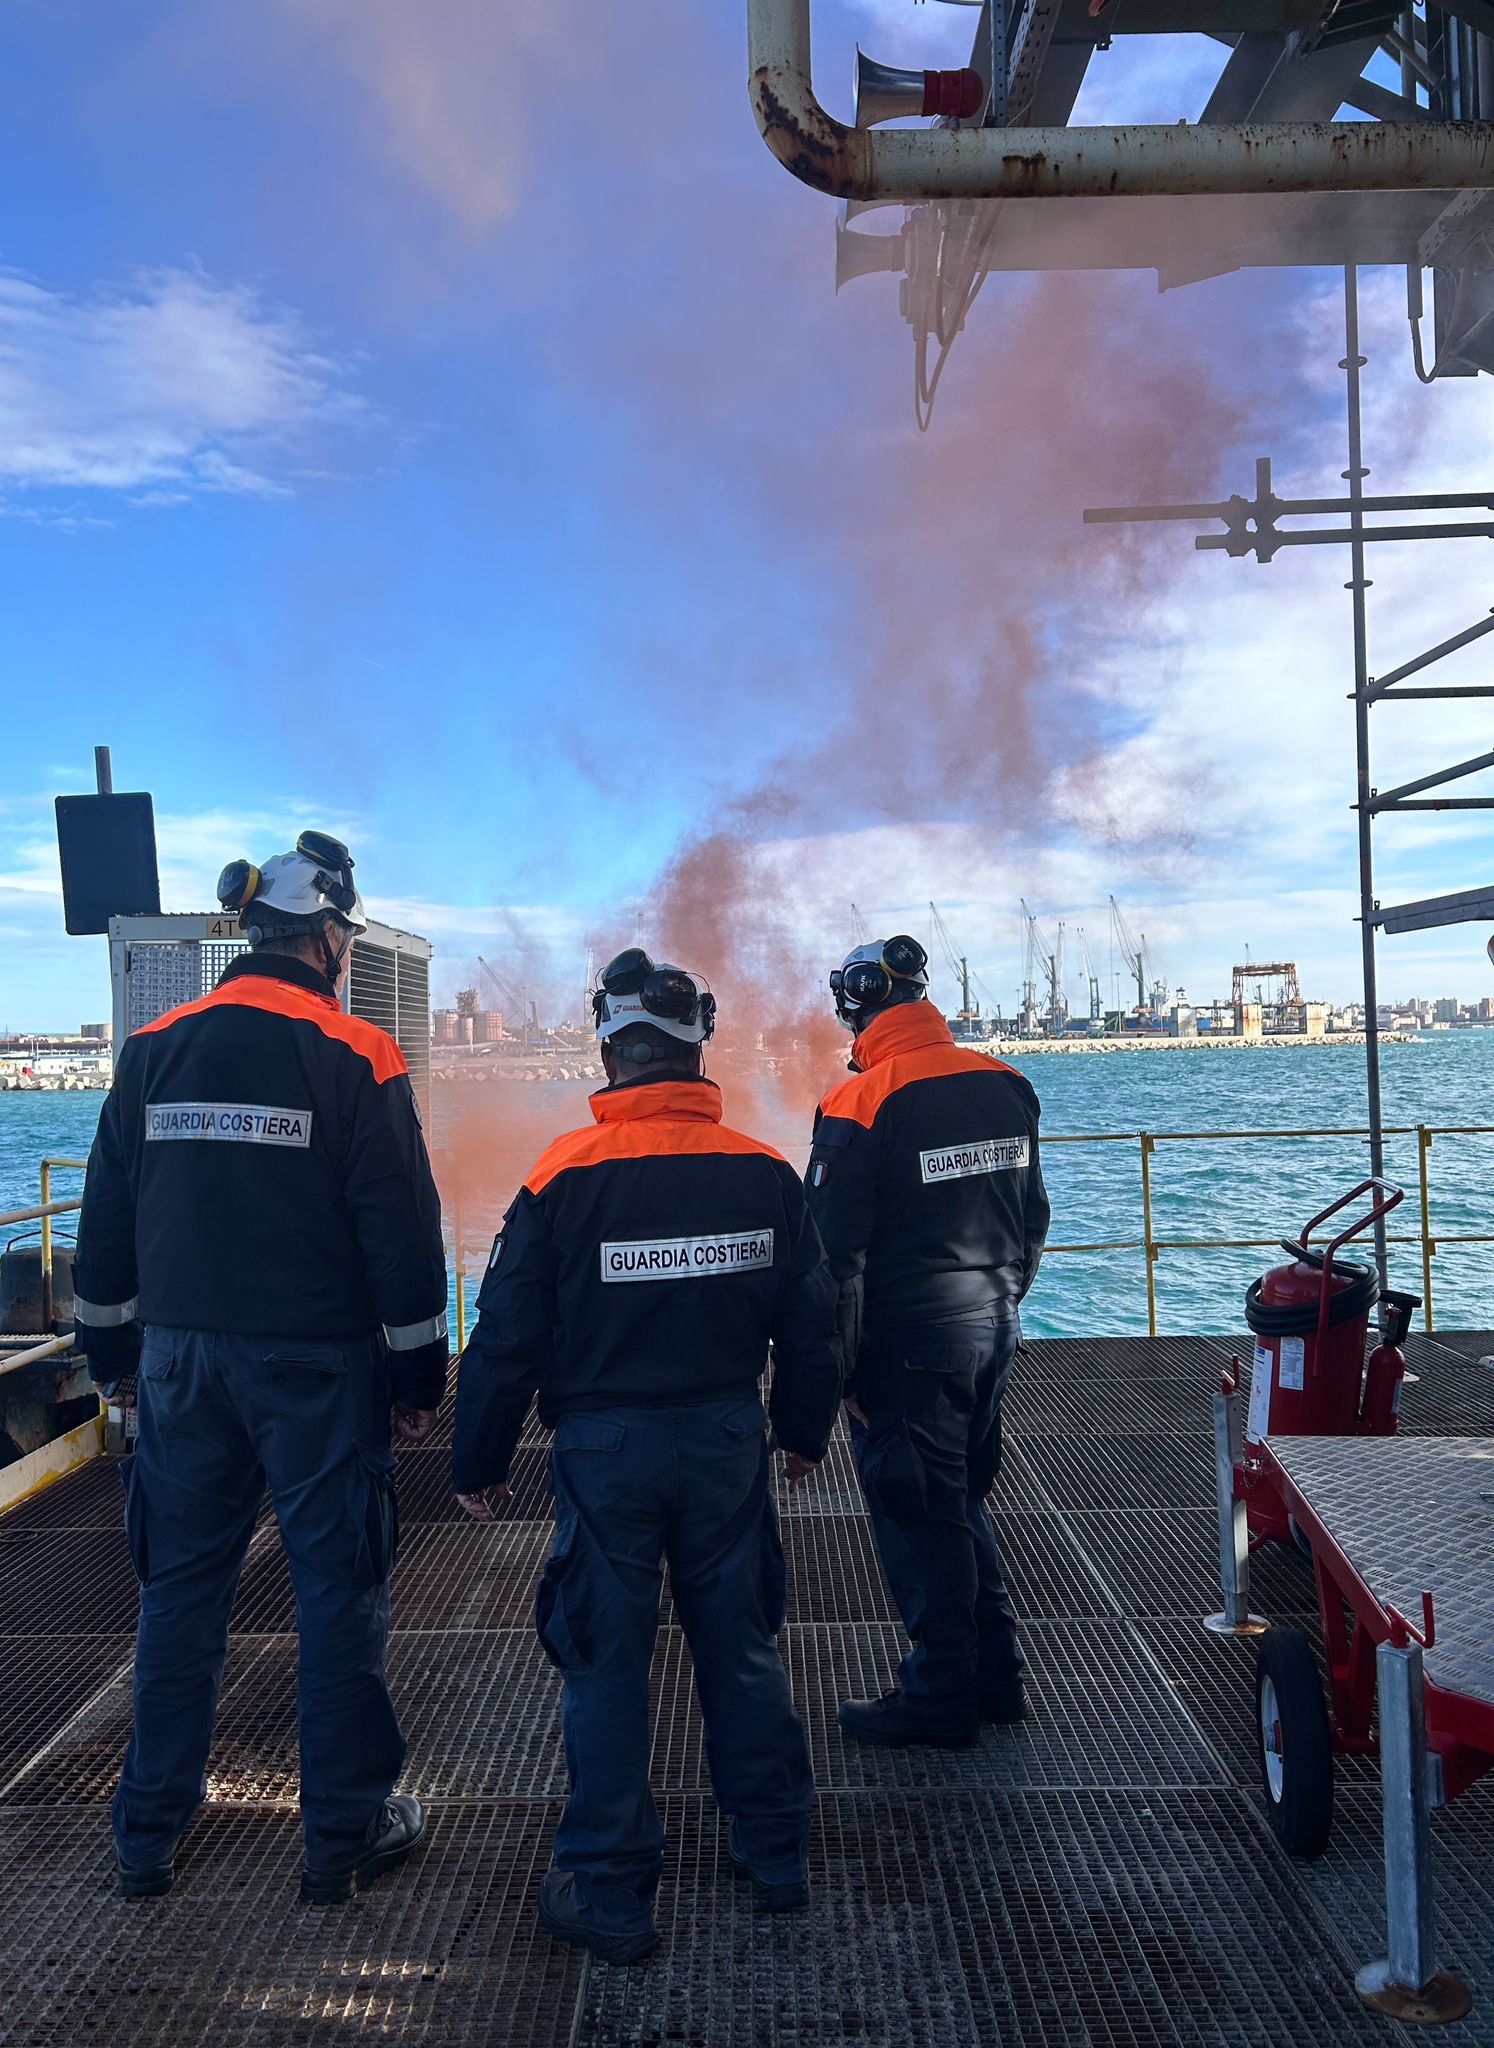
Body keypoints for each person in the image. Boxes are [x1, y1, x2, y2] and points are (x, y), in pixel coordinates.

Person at [72, 832, 448, 1904]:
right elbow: (402, 1237)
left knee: (179, 1593)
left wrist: (113, 1361)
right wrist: (418, 1380)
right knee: (339, 1593)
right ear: (330, 936)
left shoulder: (152, 1046)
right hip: (317, 1369)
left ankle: (147, 1832)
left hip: (181, 1366)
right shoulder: (357, 1052)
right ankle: (341, 1833)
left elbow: (105, 1229)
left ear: (252, 932)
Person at [453, 948, 841, 1965]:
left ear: (610, 1048)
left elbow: (504, 1339)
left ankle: (612, 1893)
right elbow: (813, 1325)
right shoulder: (763, 1172)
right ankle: (775, 1854)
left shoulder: (559, 1178)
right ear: (695, 1042)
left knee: (606, 1662)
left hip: (604, 1448)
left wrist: (478, 1457)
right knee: (742, 1645)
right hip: (723, 1440)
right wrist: (801, 1432)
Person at [805, 934, 1049, 1749]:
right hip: (994, 1325)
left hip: (910, 1345)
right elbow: (1033, 1218)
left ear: (860, 998)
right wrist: (1004, 1300)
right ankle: (996, 1676)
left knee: (919, 1516)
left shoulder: (861, 1101)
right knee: (959, 1503)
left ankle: (942, 1695)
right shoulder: (1007, 1082)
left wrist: (837, 1376)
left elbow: (833, 1260)